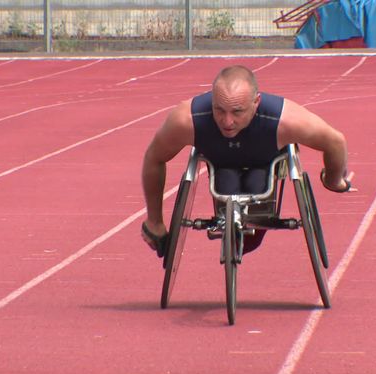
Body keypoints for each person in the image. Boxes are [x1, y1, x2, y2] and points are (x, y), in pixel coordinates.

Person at [141, 65, 350, 257]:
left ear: (256, 102)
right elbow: (154, 158)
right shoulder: (187, 120)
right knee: (227, 183)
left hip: (264, 166)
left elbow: (336, 142)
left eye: (237, 111)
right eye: (219, 110)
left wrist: (332, 180)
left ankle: (245, 230)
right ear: (212, 100)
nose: (227, 121)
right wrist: (155, 221)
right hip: (221, 166)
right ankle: (230, 229)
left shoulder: (284, 120)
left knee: (256, 185)